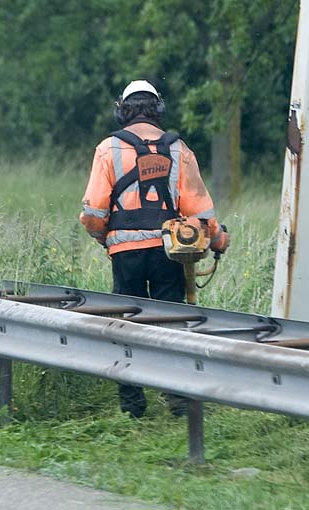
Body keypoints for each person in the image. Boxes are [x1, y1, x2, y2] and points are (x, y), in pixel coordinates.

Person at [80, 80, 230, 418]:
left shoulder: (107, 149)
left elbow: (92, 215)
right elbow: (199, 211)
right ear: (158, 109)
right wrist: (218, 239)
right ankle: (177, 400)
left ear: (122, 110)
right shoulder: (179, 150)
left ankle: (133, 405)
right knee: (172, 321)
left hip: (124, 255)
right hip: (170, 252)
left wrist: (107, 237)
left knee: (125, 324)